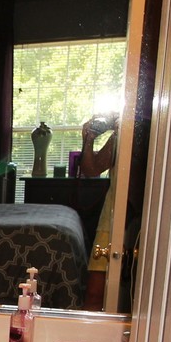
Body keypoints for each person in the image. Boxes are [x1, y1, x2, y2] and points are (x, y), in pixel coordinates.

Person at [78, 115, 120, 307]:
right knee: (95, 292)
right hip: (111, 214)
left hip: (129, 216)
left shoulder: (139, 132)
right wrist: (88, 139)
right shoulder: (122, 135)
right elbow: (91, 169)